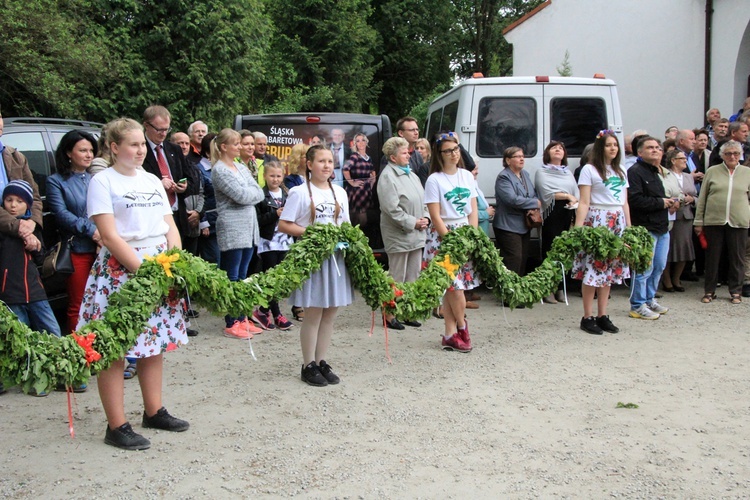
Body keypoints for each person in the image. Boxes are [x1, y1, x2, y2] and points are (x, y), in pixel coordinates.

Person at [78, 118, 189, 450]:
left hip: (157, 265)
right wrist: (143, 271)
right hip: (121, 271)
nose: (141, 150)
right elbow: (110, 235)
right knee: (114, 348)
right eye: (133, 145)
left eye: (143, 144)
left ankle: (153, 411)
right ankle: (117, 424)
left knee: (152, 344)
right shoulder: (102, 181)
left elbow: (169, 225)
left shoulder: (153, 180)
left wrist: (174, 262)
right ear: (114, 148)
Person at [279, 145, 353, 386]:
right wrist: (315, 233)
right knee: (313, 313)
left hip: (336, 259)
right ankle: (307, 364)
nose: (327, 165)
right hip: (312, 259)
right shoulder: (299, 192)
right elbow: (285, 225)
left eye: (330, 161)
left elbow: (346, 225)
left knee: (330, 313)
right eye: (321, 161)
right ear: (309, 165)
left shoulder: (340, 192)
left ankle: (322, 361)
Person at [141, 105, 199, 338]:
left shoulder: (173, 149)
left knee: (178, 267)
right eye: (159, 129)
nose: (163, 134)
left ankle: (179, 317)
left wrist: (184, 186)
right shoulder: (139, 149)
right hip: (152, 219)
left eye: (167, 129)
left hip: (177, 214)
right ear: (146, 126)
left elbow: (192, 179)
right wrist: (157, 182)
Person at [423, 132, 480, 352]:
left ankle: (449, 334)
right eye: (448, 151)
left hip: (463, 230)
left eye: (456, 149)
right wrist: (451, 240)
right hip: (443, 236)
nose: (454, 154)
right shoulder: (434, 179)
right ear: (440, 153)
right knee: (455, 288)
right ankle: (462, 327)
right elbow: (435, 215)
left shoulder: (466, 175)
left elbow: (473, 208)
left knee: (454, 287)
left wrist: (472, 235)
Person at [572, 130, 630, 335]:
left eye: (615, 144)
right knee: (593, 270)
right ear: (600, 148)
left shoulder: (621, 169)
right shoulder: (589, 169)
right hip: (598, 220)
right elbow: (584, 201)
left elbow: (624, 202)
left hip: (616, 221)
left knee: (609, 270)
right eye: (608, 145)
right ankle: (587, 316)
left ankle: (602, 315)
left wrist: (629, 229)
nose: (613, 148)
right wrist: (578, 229)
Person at [211, 128, 264, 338]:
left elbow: (259, 191)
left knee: (244, 277)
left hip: (249, 227)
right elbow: (241, 195)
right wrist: (250, 194)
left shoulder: (240, 166)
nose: (240, 147)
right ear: (224, 147)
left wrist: (250, 194)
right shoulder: (220, 170)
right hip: (232, 227)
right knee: (232, 276)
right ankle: (231, 321)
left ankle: (242, 317)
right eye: (236, 144)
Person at [46, 130, 100, 334]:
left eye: (91, 150)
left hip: (102, 246)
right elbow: (61, 214)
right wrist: (93, 231)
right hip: (76, 248)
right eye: (83, 150)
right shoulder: (56, 181)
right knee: (79, 304)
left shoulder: (97, 178)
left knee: (101, 302)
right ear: (69, 152)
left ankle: (101, 352)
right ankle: (79, 353)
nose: (88, 155)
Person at [377, 137, 429, 330]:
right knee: (397, 275)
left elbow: (423, 201)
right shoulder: (387, 177)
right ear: (393, 157)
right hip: (399, 234)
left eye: (408, 152)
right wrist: (413, 222)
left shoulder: (412, 174)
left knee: (413, 275)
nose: (409, 154)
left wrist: (426, 218)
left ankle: (407, 311)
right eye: (405, 152)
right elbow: (391, 209)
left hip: (417, 233)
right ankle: (389, 314)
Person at [0, 180, 61, 339]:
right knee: (20, 338)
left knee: (53, 333)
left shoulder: (32, 228)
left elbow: (41, 258)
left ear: (28, 205)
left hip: (35, 291)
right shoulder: (4, 229)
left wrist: (36, 248)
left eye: (19, 201)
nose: (13, 205)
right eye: (9, 200)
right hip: (10, 293)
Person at [694, 140, 750, 304]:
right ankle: (709, 291)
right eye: (728, 153)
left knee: (737, 258)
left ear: (740, 155)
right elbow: (703, 198)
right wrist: (699, 221)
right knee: (713, 257)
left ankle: (736, 291)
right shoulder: (712, 171)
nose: (732, 156)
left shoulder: (747, 172)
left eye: (736, 153)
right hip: (714, 221)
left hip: (739, 221)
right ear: (722, 156)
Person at [627, 136, 673, 320]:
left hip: (662, 227)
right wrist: (661, 203)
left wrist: (670, 203)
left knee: (659, 266)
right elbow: (634, 199)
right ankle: (637, 304)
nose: (655, 150)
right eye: (650, 147)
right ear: (640, 152)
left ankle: (649, 299)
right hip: (645, 228)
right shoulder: (635, 172)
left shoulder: (656, 171)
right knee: (644, 268)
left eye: (658, 147)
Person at [534, 141, 579, 303]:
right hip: (551, 215)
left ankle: (560, 287)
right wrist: (567, 196)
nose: (558, 149)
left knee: (565, 252)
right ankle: (548, 289)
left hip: (567, 213)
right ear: (548, 153)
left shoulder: (567, 172)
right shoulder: (542, 171)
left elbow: (576, 192)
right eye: (554, 148)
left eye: (561, 147)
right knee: (550, 251)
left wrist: (573, 201)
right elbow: (546, 192)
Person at [253, 161, 294, 331]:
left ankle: (262, 311)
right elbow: (258, 221)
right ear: (264, 176)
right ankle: (276, 313)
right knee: (271, 278)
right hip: (269, 242)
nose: (275, 179)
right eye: (272, 175)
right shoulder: (261, 196)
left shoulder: (288, 194)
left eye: (278, 176)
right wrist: (274, 214)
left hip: (285, 241)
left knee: (280, 279)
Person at [493, 146, 541, 279]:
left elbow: (532, 193)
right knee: (513, 259)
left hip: (524, 225)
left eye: (522, 156)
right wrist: (534, 203)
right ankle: (508, 295)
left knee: (523, 259)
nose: (521, 159)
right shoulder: (504, 177)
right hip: (507, 225)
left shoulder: (525, 174)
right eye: (517, 156)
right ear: (508, 160)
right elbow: (512, 199)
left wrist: (534, 201)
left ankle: (517, 293)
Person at [661, 149, 697, 292]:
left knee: (684, 248)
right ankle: (667, 279)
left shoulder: (688, 177)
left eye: (685, 158)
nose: (684, 160)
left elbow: (696, 195)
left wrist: (692, 199)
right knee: (668, 249)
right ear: (673, 160)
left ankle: (677, 278)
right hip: (670, 215)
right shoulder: (665, 174)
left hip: (685, 216)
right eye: (681, 158)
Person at [195, 133, 220, 265]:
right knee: (213, 260)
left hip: (222, 221)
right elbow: (200, 195)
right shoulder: (199, 170)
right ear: (207, 152)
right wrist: (203, 222)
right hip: (209, 223)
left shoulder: (221, 168)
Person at [342, 133, 376, 227]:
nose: (361, 143)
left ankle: (357, 237)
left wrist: (371, 184)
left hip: (365, 190)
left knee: (358, 219)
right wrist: (352, 183)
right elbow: (345, 169)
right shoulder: (355, 156)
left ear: (366, 142)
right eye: (358, 141)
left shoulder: (368, 158)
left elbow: (373, 172)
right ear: (355, 144)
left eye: (363, 140)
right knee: (359, 219)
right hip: (355, 191)